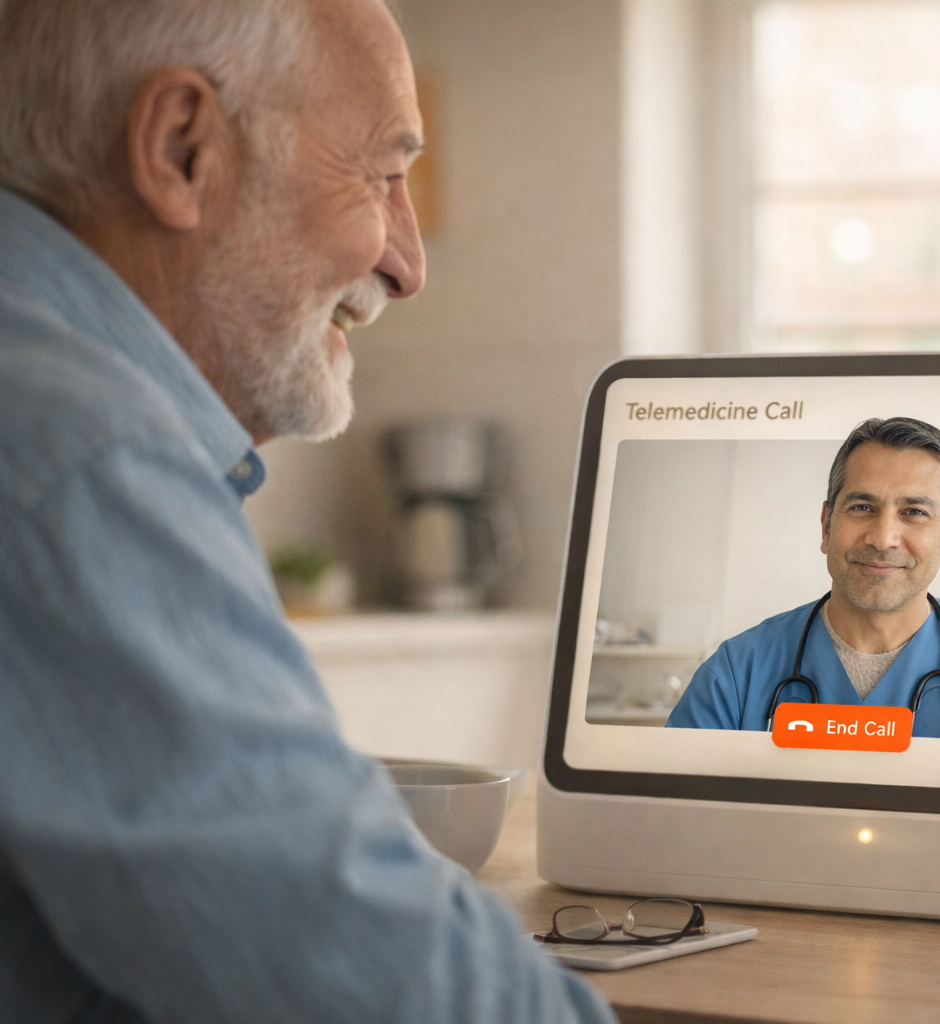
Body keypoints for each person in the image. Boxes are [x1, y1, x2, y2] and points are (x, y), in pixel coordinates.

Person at [0, 1, 614, 1021]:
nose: (408, 265)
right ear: (182, 148)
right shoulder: (77, 451)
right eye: (380, 176)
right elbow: (373, 980)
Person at [667, 418, 940, 742]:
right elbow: (677, 810)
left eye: (914, 512)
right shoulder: (738, 671)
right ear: (826, 525)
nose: (882, 538)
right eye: (862, 507)